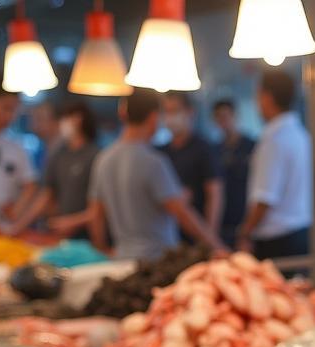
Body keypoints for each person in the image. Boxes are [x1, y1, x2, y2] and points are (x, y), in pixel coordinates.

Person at [88, 89, 224, 261]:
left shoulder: (103, 159)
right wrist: (217, 247)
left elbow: (95, 216)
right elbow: (182, 214)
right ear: (153, 117)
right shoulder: (153, 161)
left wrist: (103, 250)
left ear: (123, 114)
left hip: (121, 258)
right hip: (157, 262)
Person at [239, 69, 311, 260]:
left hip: (278, 240)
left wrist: (245, 232)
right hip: (300, 232)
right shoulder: (299, 133)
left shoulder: (274, 139)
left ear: (267, 97)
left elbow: (265, 198)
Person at [6, 101, 100, 238]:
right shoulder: (59, 154)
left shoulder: (96, 155)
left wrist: (72, 222)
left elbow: (100, 207)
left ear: (79, 119)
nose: (62, 123)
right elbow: (46, 195)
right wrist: (18, 226)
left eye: (66, 118)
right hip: (61, 235)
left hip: (88, 235)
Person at [160, 93, 224, 242]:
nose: (170, 117)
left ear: (190, 112)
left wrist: (210, 237)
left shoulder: (204, 149)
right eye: (166, 112)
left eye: (174, 111)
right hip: (169, 237)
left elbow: (215, 195)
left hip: (197, 235)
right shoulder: (160, 153)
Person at [0, 80, 37, 224]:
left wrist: (16, 211)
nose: (10, 116)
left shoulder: (15, 146)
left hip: (8, 229)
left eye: (14, 110)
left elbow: (30, 185)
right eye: (5, 108)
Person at [212, 98, 254, 250]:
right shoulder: (214, 151)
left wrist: (248, 230)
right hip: (223, 223)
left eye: (226, 116)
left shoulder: (251, 147)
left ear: (235, 116)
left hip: (246, 220)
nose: (223, 122)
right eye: (219, 118)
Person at [29, 100, 61, 170]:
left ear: (55, 122)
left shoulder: (65, 151)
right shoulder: (42, 150)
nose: (34, 125)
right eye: (32, 119)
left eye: (39, 119)